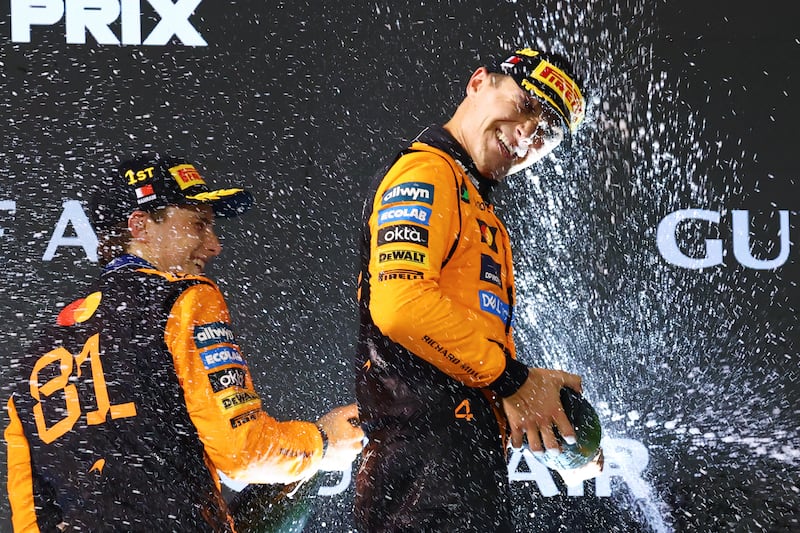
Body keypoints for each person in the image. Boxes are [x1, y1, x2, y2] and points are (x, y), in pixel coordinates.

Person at [4, 155, 364, 531]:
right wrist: (323, 441)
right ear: (140, 226)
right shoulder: (182, 300)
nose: (214, 245)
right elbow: (244, 452)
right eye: (198, 224)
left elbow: (30, 519)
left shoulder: (36, 357)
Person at [354, 47, 602, 532]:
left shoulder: (473, 201)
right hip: (427, 479)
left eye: (546, 132)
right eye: (526, 105)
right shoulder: (427, 173)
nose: (528, 134)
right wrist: (513, 381)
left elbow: (457, 353)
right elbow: (402, 306)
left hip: (448, 468)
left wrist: (545, 422)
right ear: (478, 83)